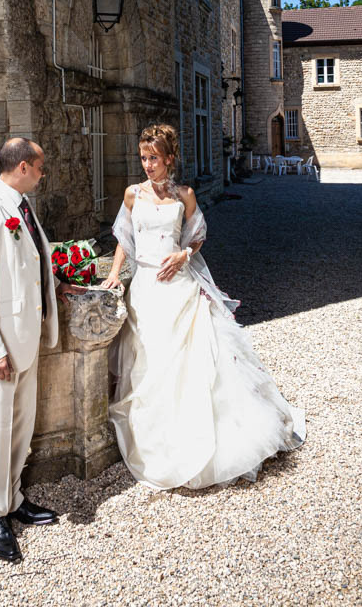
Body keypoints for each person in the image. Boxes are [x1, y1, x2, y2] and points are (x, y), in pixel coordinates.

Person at [103, 123, 305, 490]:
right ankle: (154, 436)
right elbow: (124, 238)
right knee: (148, 360)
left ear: (169, 158)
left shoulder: (185, 195)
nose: (147, 165)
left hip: (179, 287)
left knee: (191, 362)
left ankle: (198, 436)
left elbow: (196, 238)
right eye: (143, 158)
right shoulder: (133, 194)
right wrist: (116, 273)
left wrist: (182, 255)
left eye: (153, 159)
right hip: (146, 287)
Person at [0, 137, 82, 563]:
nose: (44, 173)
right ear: (25, 167)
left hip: (28, 340)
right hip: (2, 347)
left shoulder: (23, 207)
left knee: (21, 428)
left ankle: (12, 500)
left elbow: (31, 265)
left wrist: (58, 285)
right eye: (41, 166)